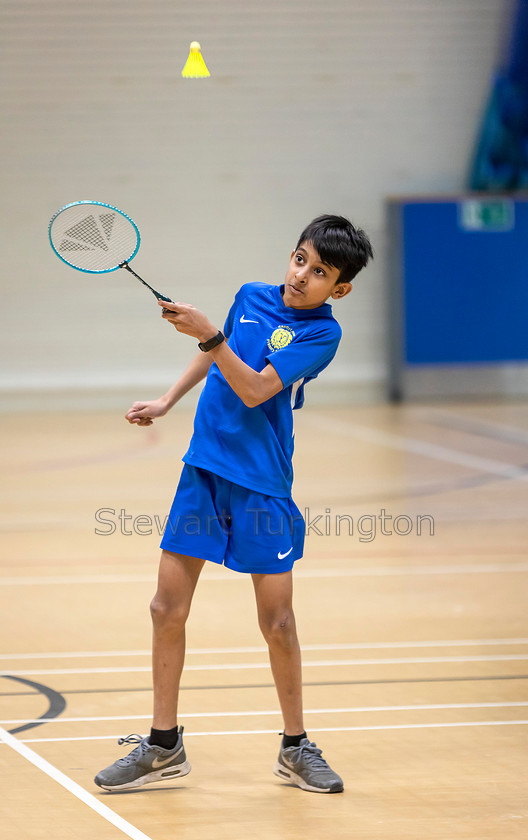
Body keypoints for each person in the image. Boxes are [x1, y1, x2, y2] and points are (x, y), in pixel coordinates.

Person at [94, 214, 373, 795]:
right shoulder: (250, 296)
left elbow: (252, 388)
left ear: (339, 289)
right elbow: (213, 354)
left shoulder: (322, 334)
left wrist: (210, 334)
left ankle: (296, 747)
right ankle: (163, 744)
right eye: (300, 259)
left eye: (320, 272)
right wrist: (169, 399)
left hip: (261, 484)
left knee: (278, 622)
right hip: (203, 471)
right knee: (165, 609)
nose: (302, 275)